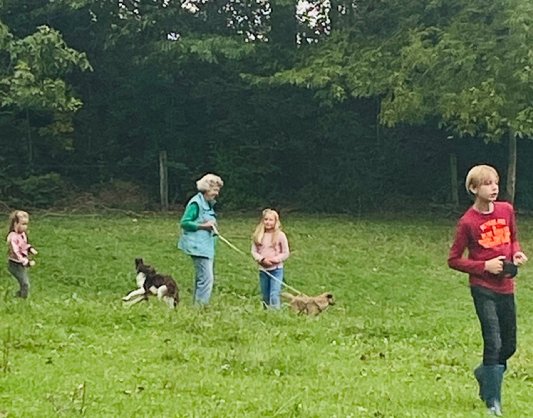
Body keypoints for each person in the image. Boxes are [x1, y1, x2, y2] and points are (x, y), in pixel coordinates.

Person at [448, 164, 527, 416]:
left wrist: (516, 252)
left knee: (509, 345)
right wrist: (484, 266)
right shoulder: (467, 222)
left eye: (495, 183)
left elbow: (512, 237)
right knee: (492, 342)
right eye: (487, 184)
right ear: (473, 189)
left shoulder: (506, 210)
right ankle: (493, 401)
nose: (493, 188)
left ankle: (485, 372)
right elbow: (454, 259)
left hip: (507, 286)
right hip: (483, 288)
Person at [178, 173, 224, 305]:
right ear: (206, 188)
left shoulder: (207, 203)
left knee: (203, 278)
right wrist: (203, 226)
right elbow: (185, 223)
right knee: (206, 279)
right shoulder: (196, 203)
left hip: (206, 246)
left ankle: (198, 306)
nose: (216, 193)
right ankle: (200, 308)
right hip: (198, 247)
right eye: (215, 190)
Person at [251, 209, 290, 309]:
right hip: (263, 269)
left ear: (276, 222)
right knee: (265, 294)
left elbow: (285, 252)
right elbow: (254, 251)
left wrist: (274, 260)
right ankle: (266, 312)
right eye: (266, 219)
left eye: (271, 220)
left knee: (274, 293)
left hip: (276, 269)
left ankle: (275, 313)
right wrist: (262, 259)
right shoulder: (258, 235)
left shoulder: (280, 235)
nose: (268, 222)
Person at [6, 210, 38, 298]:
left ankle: (17, 297)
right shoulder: (12, 237)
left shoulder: (23, 234)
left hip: (21, 263)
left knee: (24, 283)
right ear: (15, 224)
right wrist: (26, 262)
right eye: (23, 224)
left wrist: (30, 249)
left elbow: (23, 245)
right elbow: (16, 251)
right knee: (25, 284)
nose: (25, 227)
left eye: (26, 224)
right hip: (15, 264)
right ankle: (22, 300)